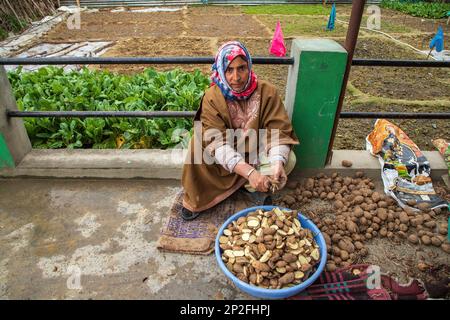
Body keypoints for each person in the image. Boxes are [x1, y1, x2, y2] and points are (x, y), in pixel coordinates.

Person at [180, 41, 299, 220]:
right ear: (221, 70)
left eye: (241, 68)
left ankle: (253, 186)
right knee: (197, 147)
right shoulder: (212, 98)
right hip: (222, 156)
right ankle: (206, 195)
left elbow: (278, 131)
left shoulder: (267, 92)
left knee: (288, 159)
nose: (236, 77)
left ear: (249, 66)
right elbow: (217, 143)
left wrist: (277, 163)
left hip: (253, 150)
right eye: (229, 70)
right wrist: (249, 172)